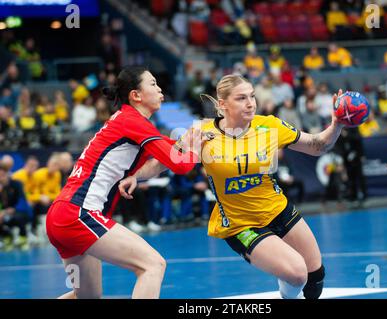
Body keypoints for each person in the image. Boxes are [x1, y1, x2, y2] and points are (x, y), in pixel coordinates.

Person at [120, 74, 345, 299]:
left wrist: (336, 124)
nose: (250, 103)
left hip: (278, 210)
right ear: (222, 104)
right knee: (297, 274)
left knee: (315, 277)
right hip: (240, 224)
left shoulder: (269, 126)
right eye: (241, 98)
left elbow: (318, 145)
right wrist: (135, 176)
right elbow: (164, 161)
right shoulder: (203, 132)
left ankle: (290, 276)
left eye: (252, 96)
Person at [45, 66, 202, 299]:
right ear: (135, 95)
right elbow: (181, 164)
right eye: (153, 84)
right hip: (79, 214)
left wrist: (184, 145)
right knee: (152, 265)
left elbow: (164, 158)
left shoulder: (127, 122)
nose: (160, 89)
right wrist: (195, 150)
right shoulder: (134, 122)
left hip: (62, 217)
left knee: (87, 296)